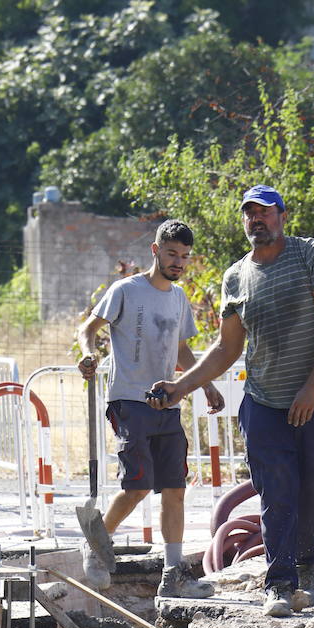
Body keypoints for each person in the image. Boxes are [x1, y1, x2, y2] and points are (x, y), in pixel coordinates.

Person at [147, 186, 314, 618]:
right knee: (276, 492)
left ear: (282, 216)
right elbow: (226, 348)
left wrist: (311, 388)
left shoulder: (313, 255)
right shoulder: (236, 276)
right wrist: (180, 387)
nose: (256, 220)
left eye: (265, 212)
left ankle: (307, 565)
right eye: (249, 214)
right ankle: (279, 583)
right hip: (265, 402)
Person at [76, 219, 224, 597]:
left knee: (174, 489)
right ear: (155, 250)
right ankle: (96, 543)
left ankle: (173, 577)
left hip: (167, 402)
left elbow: (181, 350)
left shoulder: (177, 298)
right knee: (138, 485)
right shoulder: (126, 289)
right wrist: (89, 354)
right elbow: (88, 329)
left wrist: (204, 382)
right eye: (172, 253)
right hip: (129, 400)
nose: (179, 262)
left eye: (185, 257)